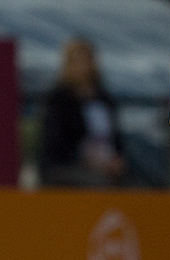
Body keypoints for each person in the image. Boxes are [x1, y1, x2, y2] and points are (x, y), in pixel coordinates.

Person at [40, 39, 126, 187]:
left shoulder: (104, 98)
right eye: (78, 62)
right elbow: (56, 143)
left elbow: (117, 138)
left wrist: (117, 160)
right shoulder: (59, 99)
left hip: (106, 163)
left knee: (138, 184)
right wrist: (87, 160)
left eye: (87, 60)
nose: (83, 67)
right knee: (99, 183)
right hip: (67, 166)